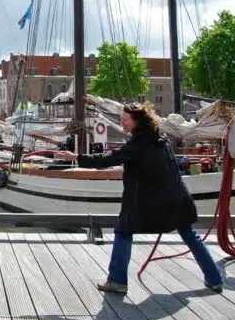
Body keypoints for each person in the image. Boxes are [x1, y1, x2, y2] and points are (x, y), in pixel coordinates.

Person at [55, 103, 223, 294]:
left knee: (123, 230)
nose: (122, 122)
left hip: (150, 202)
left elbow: (108, 159)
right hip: (177, 198)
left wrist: (76, 157)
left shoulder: (137, 145)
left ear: (137, 121)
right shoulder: (162, 139)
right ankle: (214, 278)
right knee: (189, 234)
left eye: (126, 119)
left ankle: (117, 281)